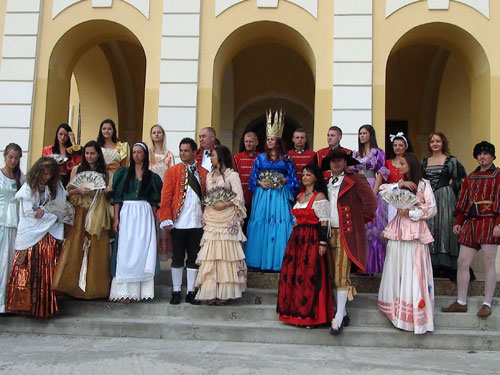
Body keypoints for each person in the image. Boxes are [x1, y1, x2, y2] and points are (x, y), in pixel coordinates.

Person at [377, 153, 437, 334]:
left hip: (415, 229)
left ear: (411, 164)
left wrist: (411, 214)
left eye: (402, 164)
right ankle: (396, 311)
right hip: (398, 230)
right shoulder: (399, 184)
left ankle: (412, 317)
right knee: (396, 267)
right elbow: (382, 191)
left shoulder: (423, 184)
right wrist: (400, 184)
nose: (399, 166)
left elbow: (431, 208)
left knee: (413, 270)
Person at [321, 148, 377, 335]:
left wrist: (357, 221)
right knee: (331, 273)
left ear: (346, 163)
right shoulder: (325, 181)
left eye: (339, 160)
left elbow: (371, 204)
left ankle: (338, 316)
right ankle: (343, 312)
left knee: (340, 275)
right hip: (328, 233)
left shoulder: (356, 179)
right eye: (333, 161)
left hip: (347, 233)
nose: (336, 163)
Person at [442, 141, 500, 318]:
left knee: (489, 262)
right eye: (479, 154)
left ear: (492, 156)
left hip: (490, 221)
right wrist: (459, 221)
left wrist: (499, 223)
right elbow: (464, 200)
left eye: (485, 153)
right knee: (462, 262)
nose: (482, 156)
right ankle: (461, 301)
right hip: (471, 223)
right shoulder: (471, 177)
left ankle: (487, 303)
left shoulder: (498, 175)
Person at [6, 157, 67, 318]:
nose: (47, 177)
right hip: (30, 233)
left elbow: (60, 207)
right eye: (44, 174)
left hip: (48, 235)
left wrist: (45, 212)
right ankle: (24, 307)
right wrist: (39, 213)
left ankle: (44, 308)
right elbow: (27, 212)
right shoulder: (28, 188)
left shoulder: (56, 187)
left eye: (50, 174)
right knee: (26, 270)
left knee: (46, 272)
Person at [52, 141, 112, 299]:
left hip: (97, 214)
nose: (89, 156)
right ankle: (71, 286)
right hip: (80, 212)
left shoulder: (104, 173)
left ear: (98, 154)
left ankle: (94, 288)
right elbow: (68, 192)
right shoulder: (78, 169)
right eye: (87, 153)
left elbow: (107, 198)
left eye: (92, 153)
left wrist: (106, 191)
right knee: (75, 247)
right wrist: (78, 190)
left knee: (96, 248)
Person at [277, 163, 333, 327]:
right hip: (297, 240)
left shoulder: (320, 197)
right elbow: (296, 221)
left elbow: (324, 222)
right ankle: (295, 315)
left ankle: (312, 317)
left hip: (312, 239)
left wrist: (322, 243)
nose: (305, 177)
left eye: (308, 174)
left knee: (310, 276)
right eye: (303, 175)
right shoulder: (300, 196)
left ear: (315, 177)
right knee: (295, 275)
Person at [245, 110, 299, 271]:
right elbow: (252, 178)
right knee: (261, 223)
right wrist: (260, 183)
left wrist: (284, 180)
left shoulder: (287, 158)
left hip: (280, 195)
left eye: (272, 139)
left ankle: (278, 261)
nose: (269, 142)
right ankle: (259, 261)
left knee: (280, 223)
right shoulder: (260, 158)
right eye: (268, 139)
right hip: (263, 195)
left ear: (278, 141)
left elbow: (295, 180)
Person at [109, 142, 162, 302]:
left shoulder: (152, 177)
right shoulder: (123, 173)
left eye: (139, 152)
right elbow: (117, 197)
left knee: (142, 249)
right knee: (126, 250)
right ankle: (124, 291)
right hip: (127, 213)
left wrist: (153, 220)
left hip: (144, 215)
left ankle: (138, 292)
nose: (136, 155)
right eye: (134, 152)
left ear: (145, 155)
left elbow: (154, 201)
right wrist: (116, 218)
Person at [158, 138, 208, 305]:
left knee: (194, 258)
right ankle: (176, 290)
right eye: (181, 150)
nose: (183, 153)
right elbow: (166, 198)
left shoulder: (204, 173)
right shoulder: (172, 171)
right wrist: (166, 217)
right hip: (178, 223)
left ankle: (191, 291)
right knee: (178, 258)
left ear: (195, 152)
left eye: (186, 150)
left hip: (198, 223)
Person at [195, 145, 247, 305]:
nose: (210, 158)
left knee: (226, 255)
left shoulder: (233, 176)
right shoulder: (209, 176)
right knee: (211, 254)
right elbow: (208, 196)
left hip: (227, 217)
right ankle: (210, 291)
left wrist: (225, 205)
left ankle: (224, 292)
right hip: (212, 217)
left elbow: (239, 198)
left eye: (213, 155)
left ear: (221, 157)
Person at [422, 132, 466, 279]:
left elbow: (459, 182)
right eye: (432, 141)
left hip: (446, 197)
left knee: (445, 227)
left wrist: (458, 201)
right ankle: (433, 263)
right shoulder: (425, 162)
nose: (435, 144)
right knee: (431, 227)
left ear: (443, 143)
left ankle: (447, 264)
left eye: (438, 141)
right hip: (430, 198)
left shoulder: (450, 161)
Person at [351, 125, 388, 274]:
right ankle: (360, 264)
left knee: (373, 227)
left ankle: (374, 265)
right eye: (360, 133)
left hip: (371, 185)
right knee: (360, 227)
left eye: (364, 133)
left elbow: (381, 172)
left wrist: (373, 192)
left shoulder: (377, 152)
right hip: (358, 188)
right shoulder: (356, 154)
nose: (362, 136)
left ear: (371, 135)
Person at [0, 144, 24, 313]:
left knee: (8, 261)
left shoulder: (20, 178)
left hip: (14, 222)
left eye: (16, 158)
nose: (13, 161)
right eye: (11, 157)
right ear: (5, 156)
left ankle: (6, 302)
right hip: (1, 220)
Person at [149, 124, 175, 260]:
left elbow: (171, 174)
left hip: (164, 191)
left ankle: (163, 255)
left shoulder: (169, 154)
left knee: (162, 220)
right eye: (154, 132)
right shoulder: (148, 153)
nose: (157, 135)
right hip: (150, 191)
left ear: (163, 135)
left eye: (159, 132)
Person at [374, 132, 407, 223]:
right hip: (389, 196)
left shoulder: (409, 163)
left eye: (400, 145)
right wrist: (374, 193)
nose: (397, 147)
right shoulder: (387, 162)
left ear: (406, 147)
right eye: (395, 145)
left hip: (404, 197)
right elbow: (380, 178)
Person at [233, 131, 260, 234]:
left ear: (256, 142)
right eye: (246, 141)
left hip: (257, 198)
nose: (248, 144)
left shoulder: (261, 157)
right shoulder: (237, 158)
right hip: (242, 199)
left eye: (251, 141)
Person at [97, 119, 130, 183]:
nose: (106, 131)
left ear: (114, 130)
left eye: (109, 129)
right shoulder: (97, 147)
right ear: (101, 131)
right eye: (104, 129)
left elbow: (124, 166)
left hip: (117, 178)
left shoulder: (121, 146)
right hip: (100, 177)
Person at [287, 128, 316, 193]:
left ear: (305, 139)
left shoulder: (312, 155)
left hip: (307, 190)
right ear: (293, 139)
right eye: (297, 137)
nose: (300, 140)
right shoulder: (287, 155)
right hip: (291, 190)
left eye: (302, 138)